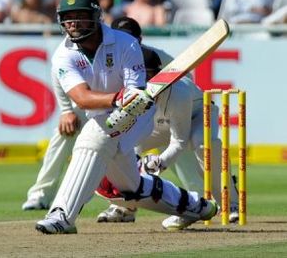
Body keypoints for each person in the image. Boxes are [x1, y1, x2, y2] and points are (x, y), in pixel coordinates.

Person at [35, 0, 218, 234]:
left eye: (80, 15)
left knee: (93, 136)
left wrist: (128, 98)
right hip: (106, 110)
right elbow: (82, 98)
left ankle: (62, 216)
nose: (73, 22)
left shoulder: (125, 43)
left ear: (96, 16)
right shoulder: (63, 54)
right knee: (131, 188)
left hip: (140, 116)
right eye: (68, 17)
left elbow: (135, 93)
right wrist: (117, 98)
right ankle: (197, 206)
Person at [96, 58, 241, 229]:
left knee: (203, 145)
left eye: (149, 76)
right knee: (125, 147)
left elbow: (179, 142)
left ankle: (230, 202)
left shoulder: (179, 93)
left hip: (199, 115)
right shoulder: (129, 90)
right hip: (159, 125)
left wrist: (159, 163)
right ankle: (126, 206)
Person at [22, 16, 144, 211]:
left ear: (140, 39)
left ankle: (123, 203)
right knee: (63, 135)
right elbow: (58, 75)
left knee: (137, 145)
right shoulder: (75, 50)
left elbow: (172, 78)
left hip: (135, 108)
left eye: (132, 37)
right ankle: (40, 194)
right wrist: (66, 110)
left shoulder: (140, 51)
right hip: (94, 102)